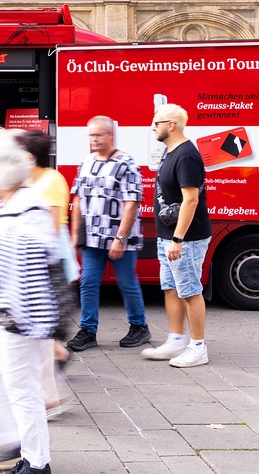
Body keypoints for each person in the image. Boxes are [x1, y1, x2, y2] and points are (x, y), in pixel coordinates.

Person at [0, 129, 58, 474]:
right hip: (5, 313)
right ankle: (14, 439)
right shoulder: (16, 206)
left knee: (22, 388)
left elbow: (29, 270)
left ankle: (36, 462)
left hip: (17, 317)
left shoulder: (19, 216)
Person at [66, 116, 149, 352]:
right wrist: (75, 235)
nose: (94, 139)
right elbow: (78, 198)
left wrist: (120, 238)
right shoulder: (87, 161)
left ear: (110, 135)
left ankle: (139, 326)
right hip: (92, 237)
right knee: (88, 283)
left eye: (98, 135)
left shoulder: (126, 163)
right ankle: (88, 331)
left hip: (120, 237)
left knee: (126, 283)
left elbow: (132, 202)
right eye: (91, 135)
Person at [142, 104, 212, 368]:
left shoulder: (186, 156)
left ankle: (197, 347)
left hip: (186, 238)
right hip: (169, 235)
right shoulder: (170, 152)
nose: (153, 127)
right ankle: (176, 340)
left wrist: (178, 239)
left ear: (171, 125)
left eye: (156, 122)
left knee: (190, 289)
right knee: (171, 287)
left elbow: (191, 200)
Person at [18, 130, 76, 417]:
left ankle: (51, 396)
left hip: (50, 265)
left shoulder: (52, 181)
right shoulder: (33, 180)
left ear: (29, 156)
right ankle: (58, 362)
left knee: (38, 335)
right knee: (39, 336)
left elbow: (51, 229)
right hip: (37, 265)